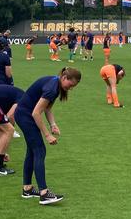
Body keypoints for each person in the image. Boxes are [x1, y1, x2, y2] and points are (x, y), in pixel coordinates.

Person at [15, 68, 81, 205]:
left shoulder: (55, 83)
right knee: (40, 151)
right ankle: (44, 193)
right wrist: (47, 135)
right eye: (70, 85)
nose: (70, 89)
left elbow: (47, 108)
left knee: (32, 151)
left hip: (24, 114)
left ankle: (27, 189)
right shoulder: (52, 88)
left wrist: (53, 124)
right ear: (64, 78)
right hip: (26, 116)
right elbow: (36, 113)